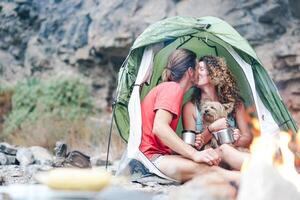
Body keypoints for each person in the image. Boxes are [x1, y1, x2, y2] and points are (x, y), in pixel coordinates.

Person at [139, 49, 240, 182]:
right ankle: (257, 178)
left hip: (160, 156)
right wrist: (194, 154)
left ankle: (261, 167)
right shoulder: (172, 88)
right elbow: (159, 127)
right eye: (198, 67)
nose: (200, 72)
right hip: (151, 160)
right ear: (190, 72)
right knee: (209, 170)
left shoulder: (169, 88)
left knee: (221, 153)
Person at [183, 55, 252, 171]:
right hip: (209, 158)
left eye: (201, 69)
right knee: (224, 149)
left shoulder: (236, 104)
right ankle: (262, 170)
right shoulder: (190, 107)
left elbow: (247, 137)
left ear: (214, 73)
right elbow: (190, 147)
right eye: (196, 69)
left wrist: (236, 139)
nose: (196, 72)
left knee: (229, 150)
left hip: (233, 154)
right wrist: (211, 129)